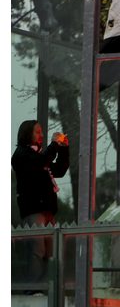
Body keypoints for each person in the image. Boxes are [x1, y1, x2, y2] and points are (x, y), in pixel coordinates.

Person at [12, 120, 70, 284]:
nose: (42, 135)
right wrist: (54, 144)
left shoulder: (38, 156)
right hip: (33, 209)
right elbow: (41, 162)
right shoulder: (21, 155)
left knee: (51, 251)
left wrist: (64, 148)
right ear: (27, 133)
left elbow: (59, 169)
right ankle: (34, 287)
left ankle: (48, 286)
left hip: (48, 210)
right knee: (37, 249)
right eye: (38, 132)